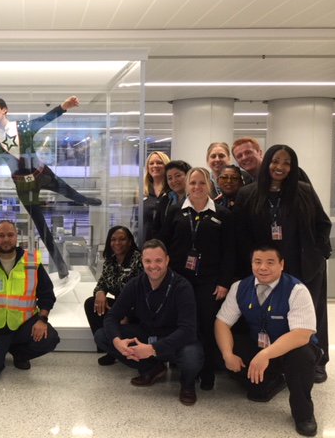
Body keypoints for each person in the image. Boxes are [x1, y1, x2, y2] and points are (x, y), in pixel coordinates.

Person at [0, 96, 101, 278]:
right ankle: (61, 268)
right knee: (42, 227)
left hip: (43, 174)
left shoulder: (23, 127)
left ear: (4, 109)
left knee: (71, 193)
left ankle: (88, 200)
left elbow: (45, 119)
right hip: (24, 186)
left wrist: (64, 107)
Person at [234, 144, 331, 384]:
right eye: (276, 161)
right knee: (270, 315)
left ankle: (316, 361)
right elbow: (241, 234)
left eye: (287, 163)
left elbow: (322, 223)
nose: (280, 167)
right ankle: (274, 361)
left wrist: (319, 254)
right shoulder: (248, 194)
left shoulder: (304, 191)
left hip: (304, 266)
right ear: (266, 162)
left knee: (311, 315)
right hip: (267, 270)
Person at [215, 246, 322, 437]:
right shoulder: (240, 286)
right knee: (256, 392)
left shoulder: (296, 290)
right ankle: (275, 380)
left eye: (270, 262)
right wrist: (227, 354)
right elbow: (222, 322)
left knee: (302, 355)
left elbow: (302, 334)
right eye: (257, 262)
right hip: (259, 346)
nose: (263, 267)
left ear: (281, 265)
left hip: (290, 350)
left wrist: (265, 354)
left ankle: (303, 414)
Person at [94, 239, 204, 406]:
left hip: (174, 340)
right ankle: (151, 369)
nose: (153, 266)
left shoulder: (182, 286)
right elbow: (112, 317)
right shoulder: (135, 284)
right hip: (146, 335)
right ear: (142, 262)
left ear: (167, 260)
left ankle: (187, 384)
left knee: (192, 356)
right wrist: (118, 341)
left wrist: (152, 349)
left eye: (158, 260)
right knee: (102, 336)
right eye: (148, 261)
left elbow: (188, 330)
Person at [158, 167, 234, 390]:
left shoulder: (222, 214)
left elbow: (230, 252)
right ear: (187, 185)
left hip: (210, 282)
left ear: (209, 185)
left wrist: (224, 282)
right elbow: (163, 243)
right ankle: (184, 366)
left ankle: (207, 370)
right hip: (180, 281)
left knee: (207, 325)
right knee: (181, 324)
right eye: (193, 183)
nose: (197, 187)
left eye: (202, 183)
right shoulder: (175, 211)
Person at [0, 220, 60, 380]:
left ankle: (19, 354)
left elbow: (47, 294)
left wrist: (42, 319)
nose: (6, 239)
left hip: (24, 326)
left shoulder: (32, 262)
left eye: (10, 235)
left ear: (17, 237)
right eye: (1, 235)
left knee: (50, 339)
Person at [83, 225, 142, 365]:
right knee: (91, 303)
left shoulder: (138, 259)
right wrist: (100, 292)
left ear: (129, 241)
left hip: (136, 309)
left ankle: (117, 346)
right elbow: (102, 283)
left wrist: (127, 315)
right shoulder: (110, 261)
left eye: (122, 239)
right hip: (119, 307)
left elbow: (142, 293)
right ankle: (110, 348)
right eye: (113, 239)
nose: (117, 243)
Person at [151, 159, 191, 237]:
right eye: (170, 178)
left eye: (178, 176)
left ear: (188, 175)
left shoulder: (196, 199)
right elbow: (156, 228)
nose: (174, 180)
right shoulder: (165, 200)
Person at [137, 151, 170, 242]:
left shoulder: (172, 191)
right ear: (147, 167)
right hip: (146, 243)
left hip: (167, 244)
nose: (155, 166)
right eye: (151, 163)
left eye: (159, 162)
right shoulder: (142, 191)